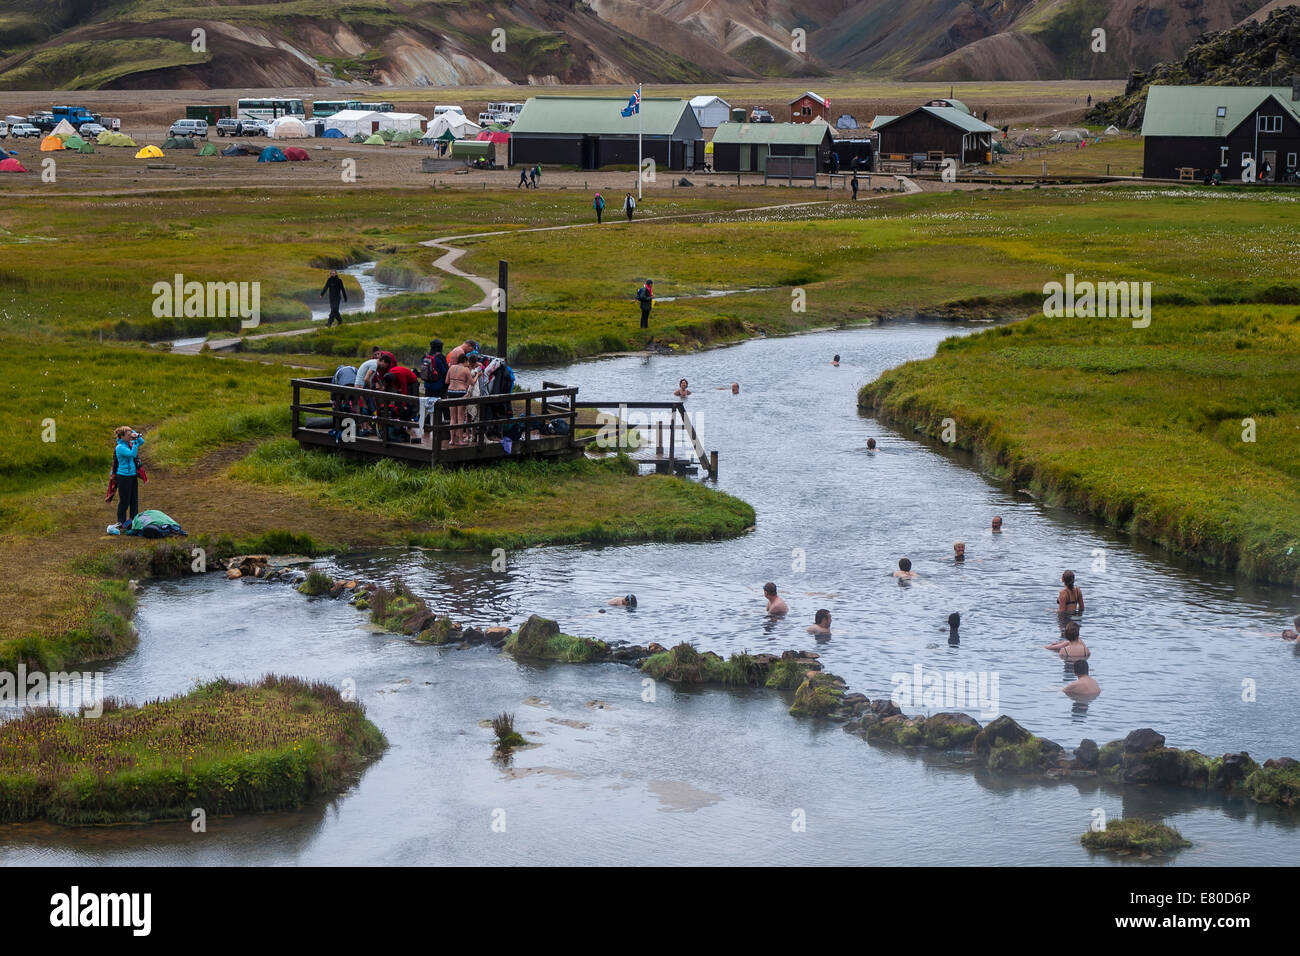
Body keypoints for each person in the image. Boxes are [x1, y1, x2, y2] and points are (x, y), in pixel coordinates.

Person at [444, 351, 481, 445]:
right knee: (460, 418)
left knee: (453, 418)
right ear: (464, 361)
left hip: (451, 392)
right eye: (467, 362)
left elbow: (446, 381)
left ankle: (452, 440)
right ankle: (460, 440)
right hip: (461, 393)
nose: (468, 364)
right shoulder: (466, 370)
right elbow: (472, 382)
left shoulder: (451, 367)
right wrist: (477, 375)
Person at [112, 426, 144, 530]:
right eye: (128, 435)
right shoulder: (120, 447)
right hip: (123, 476)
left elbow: (141, 441)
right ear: (122, 436)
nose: (130, 436)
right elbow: (132, 454)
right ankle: (121, 522)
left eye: (131, 434)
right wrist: (134, 441)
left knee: (134, 500)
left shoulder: (128, 443)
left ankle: (132, 522)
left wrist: (134, 434)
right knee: (124, 501)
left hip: (132, 475)